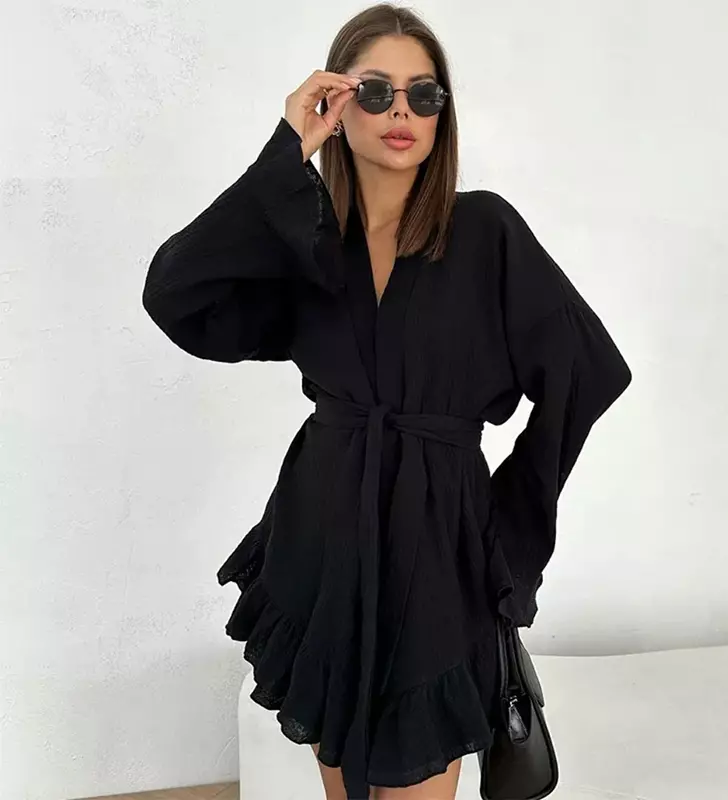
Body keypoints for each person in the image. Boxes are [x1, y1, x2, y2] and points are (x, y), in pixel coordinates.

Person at [141, 3, 633, 799]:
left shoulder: (485, 231)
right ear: (336, 104)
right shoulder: (308, 242)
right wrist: (284, 151)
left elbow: (590, 371)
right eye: (374, 91)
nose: (401, 111)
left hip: (439, 547)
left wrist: (509, 524)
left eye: (423, 94)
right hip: (321, 536)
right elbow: (175, 294)